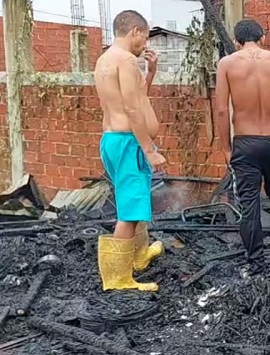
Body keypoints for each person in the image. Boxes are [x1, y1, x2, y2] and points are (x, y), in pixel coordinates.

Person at [215, 19, 270, 278]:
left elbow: (221, 110)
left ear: (237, 40)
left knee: (249, 201)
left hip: (245, 142)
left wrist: (226, 147)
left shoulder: (227, 64)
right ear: (262, 37)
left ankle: (256, 263)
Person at [94, 10, 166, 292]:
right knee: (130, 211)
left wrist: (150, 74)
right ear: (135, 31)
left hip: (113, 139)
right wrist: (149, 150)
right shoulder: (125, 60)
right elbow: (133, 109)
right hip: (128, 142)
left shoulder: (105, 60)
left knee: (133, 201)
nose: (144, 44)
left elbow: (134, 97)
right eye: (144, 37)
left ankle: (139, 255)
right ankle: (117, 278)